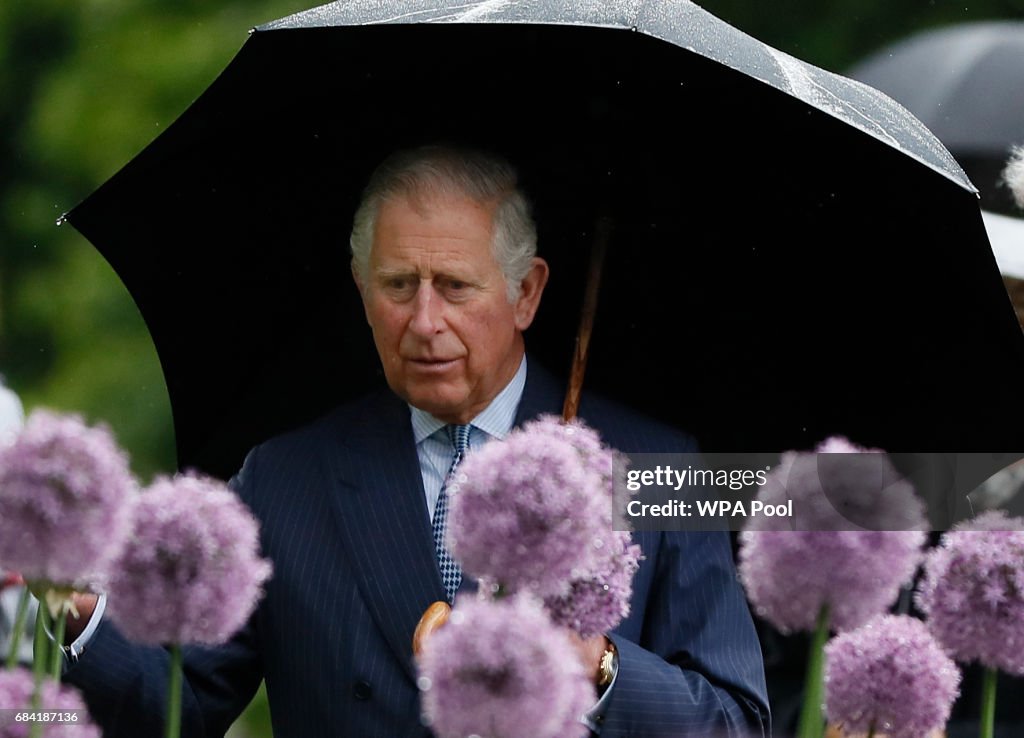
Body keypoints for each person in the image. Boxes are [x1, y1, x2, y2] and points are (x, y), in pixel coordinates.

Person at [61, 146, 770, 736]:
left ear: (527, 293)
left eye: (455, 287)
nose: (424, 321)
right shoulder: (285, 476)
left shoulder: (656, 466)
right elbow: (173, 703)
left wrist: (598, 666)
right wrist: (74, 605)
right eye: (399, 285)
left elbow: (736, 722)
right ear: (361, 289)